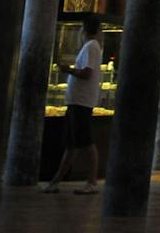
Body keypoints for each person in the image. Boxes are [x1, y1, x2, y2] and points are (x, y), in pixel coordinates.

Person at [44, 15, 103, 195]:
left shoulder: (91, 47)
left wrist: (67, 69)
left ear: (83, 29)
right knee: (72, 144)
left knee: (86, 142)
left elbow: (87, 73)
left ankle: (92, 181)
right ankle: (55, 182)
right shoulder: (89, 47)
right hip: (76, 101)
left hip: (82, 102)